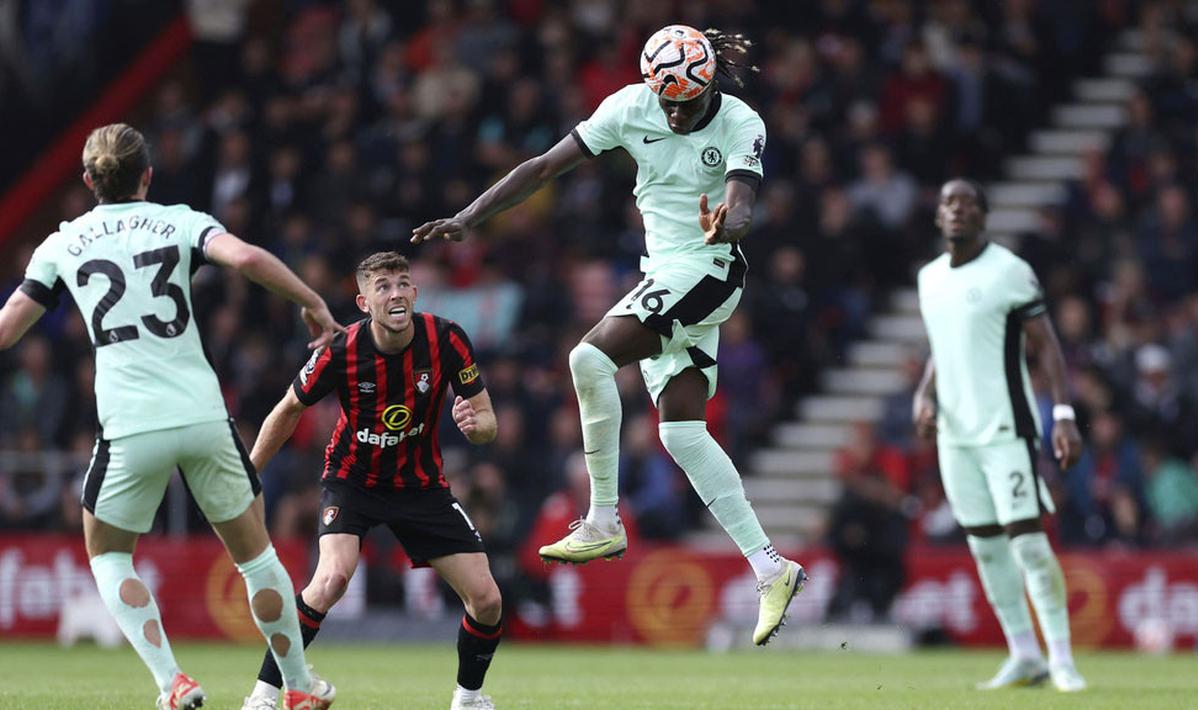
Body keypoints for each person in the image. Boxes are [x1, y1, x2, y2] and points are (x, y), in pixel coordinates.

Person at [412, 24, 804, 646]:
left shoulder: (739, 121)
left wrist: (729, 222)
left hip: (709, 268)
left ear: (709, 86)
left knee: (587, 358)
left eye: (689, 102)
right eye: (668, 102)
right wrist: (470, 217)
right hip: (664, 272)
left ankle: (601, 518)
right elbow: (543, 167)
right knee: (681, 433)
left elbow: (746, 203)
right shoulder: (628, 106)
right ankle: (770, 567)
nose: (677, 113)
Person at [0, 123, 339, 710]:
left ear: (87, 181)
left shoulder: (62, 243)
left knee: (107, 551)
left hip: (130, 424)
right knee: (256, 554)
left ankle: (172, 681)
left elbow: (6, 331)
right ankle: (300, 686)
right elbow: (249, 258)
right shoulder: (179, 220)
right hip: (204, 414)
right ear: (147, 175)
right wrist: (311, 301)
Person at [240, 251, 503, 710]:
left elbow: (487, 422)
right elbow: (287, 409)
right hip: (353, 480)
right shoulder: (341, 349)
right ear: (364, 302)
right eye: (383, 286)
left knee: (487, 599)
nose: (396, 292)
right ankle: (262, 695)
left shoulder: (447, 339)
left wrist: (476, 427)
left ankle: (468, 698)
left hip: (421, 485)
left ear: (415, 293)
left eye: (403, 283)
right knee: (332, 579)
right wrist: (247, 474)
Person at [913, 179, 1086, 692]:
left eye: (969, 203)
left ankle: (1062, 659)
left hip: (1006, 429)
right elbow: (944, 349)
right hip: (955, 436)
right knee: (986, 549)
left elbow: (1047, 346)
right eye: (949, 202)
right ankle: (1024, 654)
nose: (958, 210)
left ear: (984, 216)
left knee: (1029, 545)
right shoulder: (929, 279)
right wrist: (924, 394)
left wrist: (1064, 414)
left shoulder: (1010, 272)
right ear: (938, 215)